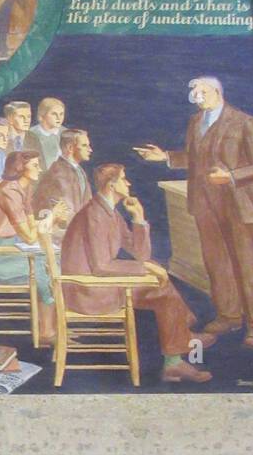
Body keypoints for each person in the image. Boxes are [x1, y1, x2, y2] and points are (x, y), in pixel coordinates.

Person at [133, 76, 253, 347]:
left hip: (239, 204)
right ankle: (229, 316)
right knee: (217, 264)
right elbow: (195, 158)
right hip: (205, 205)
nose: (197, 98)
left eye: (202, 92)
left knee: (249, 266)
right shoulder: (196, 122)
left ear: (218, 92)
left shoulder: (244, 122)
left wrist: (231, 176)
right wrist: (165, 157)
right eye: (194, 94)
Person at [60, 162, 214, 382]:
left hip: (100, 284)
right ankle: (178, 352)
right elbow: (101, 266)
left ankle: (179, 348)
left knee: (158, 280)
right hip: (88, 290)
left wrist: (138, 218)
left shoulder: (111, 213)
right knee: (160, 286)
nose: (129, 183)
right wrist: (146, 268)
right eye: (124, 179)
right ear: (111, 185)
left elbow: (140, 254)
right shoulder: (94, 215)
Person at [0, 150, 66, 344]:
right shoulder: (10, 192)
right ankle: (47, 332)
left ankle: (53, 326)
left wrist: (50, 222)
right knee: (44, 267)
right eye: (35, 166)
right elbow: (31, 237)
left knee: (55, 260)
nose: (40, 169)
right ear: (20, 169)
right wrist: (52, 217)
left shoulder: (24, 189)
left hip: (8, 247)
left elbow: (31, 226)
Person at [33, 127, 93, 226]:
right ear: (70, 148)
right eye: (84, 145)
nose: (90, 149)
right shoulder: (58, 172)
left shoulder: (80, 171)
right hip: (60, 233)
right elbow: (62, 212)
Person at [24, 97, 66, 168]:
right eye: (54, 114)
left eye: (61, 114)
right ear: (42, 115)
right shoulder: (30, 134)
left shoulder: (67, 133)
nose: (59, 118)